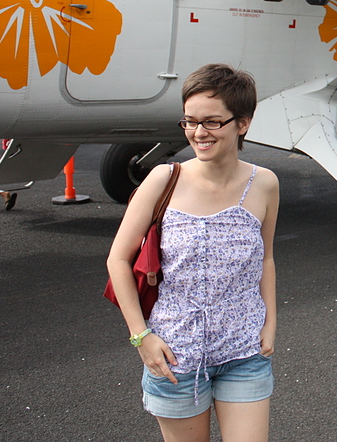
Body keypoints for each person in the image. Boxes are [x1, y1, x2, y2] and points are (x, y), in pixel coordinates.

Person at [106, 64, 279, 442]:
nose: (198, 133)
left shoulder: (264, 184)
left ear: (243, 123)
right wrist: (141, 337)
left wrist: (271, 322)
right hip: (174, 355)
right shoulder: (164, 179)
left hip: (243, 352)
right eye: (190, 121)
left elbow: (265, 258)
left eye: (212, 122)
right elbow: (117, 260)